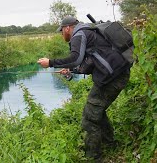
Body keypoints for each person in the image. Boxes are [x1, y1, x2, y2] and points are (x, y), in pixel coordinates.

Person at [37, 16, 130, 161]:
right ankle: (109, 143)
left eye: (61, 31)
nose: (62, 34)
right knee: (96, 111)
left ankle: (93, 157)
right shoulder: (88, 31)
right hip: (117, 74)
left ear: (67, 28)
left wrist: (50, 62)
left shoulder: (78, 35)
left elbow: (76, 58)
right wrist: (72, 70)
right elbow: (91, 61)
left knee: (89, 118)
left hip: (112, 79)